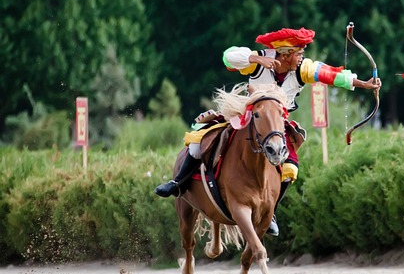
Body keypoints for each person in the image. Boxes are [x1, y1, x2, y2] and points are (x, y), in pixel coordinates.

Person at [155, 27, 382, 237]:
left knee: (290, 169)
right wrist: (256, 58)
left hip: (278, 125)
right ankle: (178, 183)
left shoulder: (302, 69)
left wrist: (364, 83)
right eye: (298, 52)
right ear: (285, 55)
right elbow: (228, 56)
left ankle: (269, 211)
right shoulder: (259, 61)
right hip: (249, 116)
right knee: (198, 141)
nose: (302, 56)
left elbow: (331, 74)